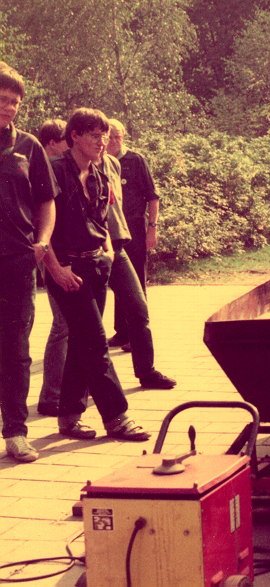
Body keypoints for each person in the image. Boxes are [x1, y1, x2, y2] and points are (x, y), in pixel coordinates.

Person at [41, 107, 150, 442]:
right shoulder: (54, 170)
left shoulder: (100, 171)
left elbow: (101, 219)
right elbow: (39, 226)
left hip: (96, 265)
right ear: (74, 136)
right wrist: (55, 269)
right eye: (94, 135)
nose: (102, 141)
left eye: (104, 135)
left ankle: (69, 417)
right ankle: (117, 417)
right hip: (66, 270)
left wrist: (106, 251)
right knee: (95, 340)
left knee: (82, 341)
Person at [0, 63, 58, 462]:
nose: (9, 107)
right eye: (3, 99)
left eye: (15, 102)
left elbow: (46, 201)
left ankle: (16, 432)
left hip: (18, 262)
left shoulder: (30, 147)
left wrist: (42, 242)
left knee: (16, 351)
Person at [104, 118, 160, 350]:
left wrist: (152, 228)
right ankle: (122, 332)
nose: (114, 141)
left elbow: (153, 197)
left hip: (135, 229)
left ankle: (136, 337)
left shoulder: (136, 160)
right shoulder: (99, 162)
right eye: (110, 136)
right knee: (118, 282)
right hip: (111, 232)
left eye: (118, 136)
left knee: (136, 282)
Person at [36, 118, 71, 416]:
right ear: (51, 143)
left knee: (70, 325)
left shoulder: (63, 168)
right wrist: (55, 265)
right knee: (63, 325)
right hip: (53, 258)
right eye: (65, 140)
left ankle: (70, 390)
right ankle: (51, 396)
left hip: (63, 258)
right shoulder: (43, 170)